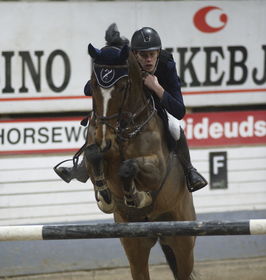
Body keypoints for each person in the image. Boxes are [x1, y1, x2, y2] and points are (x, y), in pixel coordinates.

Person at [54, 24, 207, 192]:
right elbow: (88, 89)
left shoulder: (166, 63)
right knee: (98, 120)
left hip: (156, 107)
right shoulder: (125, 62)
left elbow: (179, 111)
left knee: (175, 127)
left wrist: (157, 88)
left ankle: (189, 171)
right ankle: (83, 167)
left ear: (158, 53)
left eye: (152, 54)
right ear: (134, 54)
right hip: (125, 109)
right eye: (143, 55)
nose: (148, 59)